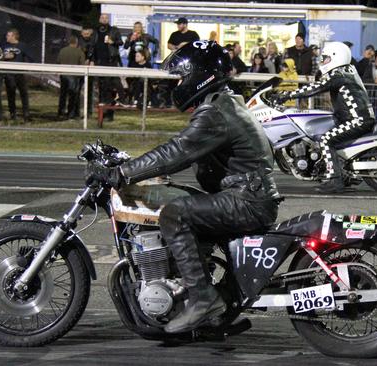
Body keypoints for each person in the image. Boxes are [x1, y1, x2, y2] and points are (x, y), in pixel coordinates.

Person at [84, 40, 280, 334]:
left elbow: (176, 152)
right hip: (246, 195)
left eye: (180, 77)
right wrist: (137, 167)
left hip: (245, 200)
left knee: (174, 215)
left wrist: (122, 173)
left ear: (198, 75)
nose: (178, 83)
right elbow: (182, 150)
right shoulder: (222, 103)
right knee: (177, 197)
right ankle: (208, 298)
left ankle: (202, 299)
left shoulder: (214, 112)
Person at [277, 42, 375, 193]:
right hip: (353, 118)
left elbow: (315, 87)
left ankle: (335, 180)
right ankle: (340, 172)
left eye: (326, 58)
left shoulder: (339, 73)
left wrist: (287, 95)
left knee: (326, 139)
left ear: (336, 57)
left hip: (357, 120)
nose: (323, 62)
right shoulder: (346, 71)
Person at [93, 14, 126, 119]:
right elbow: (92, 46)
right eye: (102, 18)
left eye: (106, 18)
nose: (104, 19)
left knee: (111, 86)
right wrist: (91, 59)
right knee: (102, 88)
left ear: (108, 20)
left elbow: (121, 42)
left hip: (111, 61)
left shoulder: (114, 30)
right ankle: (102, 114)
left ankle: (110, 113)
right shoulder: (96, 30)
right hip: (99, 62)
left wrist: (113, 42)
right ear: (99, 19)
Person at [2, 28, 32, 122]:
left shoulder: (22, 46)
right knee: (11, 95)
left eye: (8, 35)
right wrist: (4, 56)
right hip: (9, 75)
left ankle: (26, 115)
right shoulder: (4, 45)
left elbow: (31, 57)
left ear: (14, 36)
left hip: (19, 74)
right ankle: (12, 114)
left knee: (24, 94)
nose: (6, 37)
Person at [56, 36, 86, 120]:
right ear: (76, 42)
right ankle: (71, 113)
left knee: (63, 94)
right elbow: (82, 64)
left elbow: (58, 61)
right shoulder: (79, 52)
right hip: (74, 76)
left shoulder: (62, 51)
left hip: (64, 75)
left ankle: (61, 112)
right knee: (73, 95)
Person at [78, 26, 97, 115]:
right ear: (81, 33)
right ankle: (76, 110)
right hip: (80, 67)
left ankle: (89, 110)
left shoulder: (93, 42)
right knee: (77, 89)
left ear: (90, 33)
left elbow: (94, 53)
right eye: (84, 34)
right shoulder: (78, 42)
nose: (86, 35)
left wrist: (92, 60)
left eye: (87, 34)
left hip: (89, 67)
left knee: (90, 89)